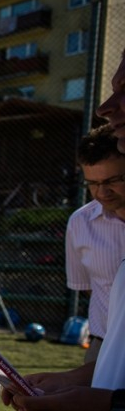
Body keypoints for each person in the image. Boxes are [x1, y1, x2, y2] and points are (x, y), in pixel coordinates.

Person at [2, 47, 125, 411]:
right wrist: (78, 380)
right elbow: (105, 324)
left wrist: (107, 408)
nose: (106, 105)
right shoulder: (103, 237)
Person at [67, 123, 125, 363]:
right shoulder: (80, 223)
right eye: (92, 183)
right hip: (102, 346)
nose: (102, 192)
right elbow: (92, 287)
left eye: (113, 180)